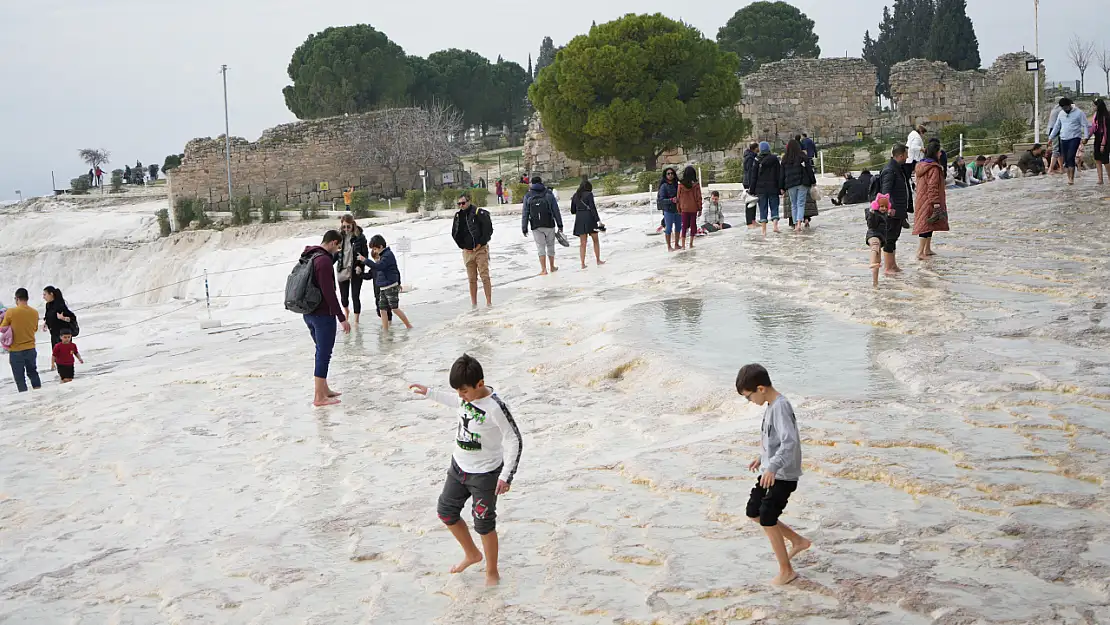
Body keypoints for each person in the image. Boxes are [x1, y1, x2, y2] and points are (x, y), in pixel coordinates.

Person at [409, 354, 522, 588]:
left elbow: (514, 439)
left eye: (464, 391)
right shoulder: (464, 397)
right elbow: (454, 401)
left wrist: (506, 476)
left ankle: (492, 572)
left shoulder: (495, 407)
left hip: (486, 475)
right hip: (458, 467)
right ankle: (472, 554)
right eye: (458, 391)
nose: (461, 396)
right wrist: (429, 392)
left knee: (483, 523)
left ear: (479, 384)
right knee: (446, 512)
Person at [737, 363, 809, 586]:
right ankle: (797, 541)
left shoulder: (781, 407)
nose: (750, 402)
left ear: (760, 388)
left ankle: (786, 571)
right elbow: (774, 440)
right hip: (771, 470)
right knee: (754, 512)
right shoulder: (771, 406)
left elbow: (789, 442)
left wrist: (773, 466)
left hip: (782, 474)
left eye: (748, 397)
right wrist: (762, 457)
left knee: (767, 517)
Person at [301, 230, 351, 407]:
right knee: (324, 354)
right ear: (332, 243)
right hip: (322, 315)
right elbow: (328, 292)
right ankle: (318, 397)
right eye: (337, 246)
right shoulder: (323, 261)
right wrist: (342, 318)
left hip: (309, 313)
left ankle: (324, 389)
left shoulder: (312, 255)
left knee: (320, 351)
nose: (337, 250)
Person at [362, 235, 412, 331]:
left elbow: (380, 267)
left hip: (391, 286)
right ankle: (385, 330)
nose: (375, 251)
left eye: (375, 249)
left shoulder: (388, 255)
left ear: (381, 246)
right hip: (383, 287)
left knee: (394, 308)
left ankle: (408, 326)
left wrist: (365, 260)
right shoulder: (383, 255)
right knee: (382, 309)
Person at [452, 194, 494, 308]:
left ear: (469, 202)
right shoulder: (458, 216)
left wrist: (481, 243)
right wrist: (462, 246)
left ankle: (489, 302)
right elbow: (454, 233)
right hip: (467, 252)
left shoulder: (478, 212)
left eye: (463, 203)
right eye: (459, 204)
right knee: (471, 279)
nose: (461, 205)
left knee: (484, 276)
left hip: (480, 249)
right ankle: (474, 304)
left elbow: (488, 229)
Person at [879, 144, 912, 276]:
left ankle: (893, 265)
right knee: (889, 239)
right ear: (900, 155)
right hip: (892, 212)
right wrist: (888, 209)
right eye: (906, 155)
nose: (907, 157)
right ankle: (888, 267)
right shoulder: (890, 170)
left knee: (894, 238)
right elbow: (885, 192)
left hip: (898, 210)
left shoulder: (898, 168)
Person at [913, 141, 949, 260]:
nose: (940, 154)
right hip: (929, 200)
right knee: (926, 225)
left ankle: (927, 249)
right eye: (939, 152)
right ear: (935, 153)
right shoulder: (934, 168)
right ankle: (920, 252)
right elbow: (932, 187)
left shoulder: (921, 165)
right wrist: (936, 203)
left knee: (930, 224)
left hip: (921, 199)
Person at [521, 176, 563, 275]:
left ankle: (544, 269)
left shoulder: (528, 195)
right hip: (549, 224)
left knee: (540, 247)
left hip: (536, 225)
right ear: (541, 182)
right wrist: (560, 224)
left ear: (532, 183)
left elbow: (525, 213)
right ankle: (552, 267)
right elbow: (556, 210)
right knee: (550, 246)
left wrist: (524, 227)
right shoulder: (548, 194)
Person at [2, 288, 41, 392]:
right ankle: (39, 394)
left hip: (16, 350)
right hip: (31, 348)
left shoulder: (11, 312)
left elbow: (2, 328)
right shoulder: (35, 312)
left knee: (20, 378)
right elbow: (35, 328)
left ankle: (25, 398)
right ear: (27, 298)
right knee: (33, 373)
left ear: (17, 298)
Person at [1048, 97, 1091, 186]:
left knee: (1071, 156)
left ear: (1069, 105)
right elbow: (1057, 126)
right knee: (1066, 159)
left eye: (1066, 108)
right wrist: (1050, 137)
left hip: (1075, 137)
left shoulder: (1079, 113)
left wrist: (1086, 137)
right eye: (1063, 108)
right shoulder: (1061, 113)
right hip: (1063, 138)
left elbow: (1085, 125)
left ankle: (1071, 178)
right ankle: (1069, 176)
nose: (1065, 110)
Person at [336, 215, 369, 325]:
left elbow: (365, 255)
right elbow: (334, 253)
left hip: (356, 269)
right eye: (344, 227)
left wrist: (360, 265)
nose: (346, 229)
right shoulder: (339, 237)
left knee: (355, 295)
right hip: (343, 268)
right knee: (344, 298)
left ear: (353, 224)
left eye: (348, 227)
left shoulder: (360, 237)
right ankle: (346, 311)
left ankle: (356, 321)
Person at [779, 139, 814, 233]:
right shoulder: (803, 156)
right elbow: (809, 170)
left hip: (790, 184)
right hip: (803, 182)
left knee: (793, 204)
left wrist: (781, 187)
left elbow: (782, 174)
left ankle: (795, 224)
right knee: (801, 203)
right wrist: (813, 181)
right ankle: (799, 223)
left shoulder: (785, 159)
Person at [571, 180, 605, 269]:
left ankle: (582, 263)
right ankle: (598, 260)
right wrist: (598, 220)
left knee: (583, 242)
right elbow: (593, 208)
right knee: (595, 240)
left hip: (579, 218)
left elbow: (572, 210)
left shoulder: (575, 195)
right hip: (590, 218)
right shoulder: (589, 194)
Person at [752, 142, 783, 236]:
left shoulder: (757, 160)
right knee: (774, 206)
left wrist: (752, 190)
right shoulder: (774, 159)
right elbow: (779, 174)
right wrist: (781, 187)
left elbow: (753, 177)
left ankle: (764, 231)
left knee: (763, 208)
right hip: (773, 187)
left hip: (760, 188)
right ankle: (775, 226)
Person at [866, 193, 896, 287]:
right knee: (875, 245)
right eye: (881, 206)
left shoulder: (885, 215)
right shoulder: (873, 213)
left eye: (885, 207)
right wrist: (871, 213)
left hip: (881, 239)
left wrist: (891, 214)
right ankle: (871, 262)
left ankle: (875, 283)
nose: (883, 208)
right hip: (872, 235)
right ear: (877, 205)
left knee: (878, 262)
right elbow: (871, 224)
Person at [676, 166, 702, 249]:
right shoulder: (696, 185)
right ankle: (691, 244)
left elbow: (678, 197)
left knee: (684, 226)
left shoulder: (680, 185)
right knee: (693, 226)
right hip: (693, 208)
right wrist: (700, 208)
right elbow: (699, 197)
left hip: (684, 208)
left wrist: (678, 208)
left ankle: (683, 245)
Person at [656, 167, 682, 251]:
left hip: (678, 209)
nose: (670, 175)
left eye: (672, 173)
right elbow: (661, 199)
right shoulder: (663, 186)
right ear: (665, 175)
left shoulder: (677, 185)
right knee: (668, 228)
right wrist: (671, 200)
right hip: (668, 210)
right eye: (668, 173)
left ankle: (677, 244)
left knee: (678, 227)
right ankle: (669, 246)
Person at [1090, 99, 1110, 185]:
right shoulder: (1095, 116)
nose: (1093, 107)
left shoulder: (1106, 116)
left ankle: (1109, 177)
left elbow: (1106, 131)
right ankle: (1100, 178)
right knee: (1097, 158)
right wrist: (1087, 137)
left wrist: (1103, 144)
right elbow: (1093, 128)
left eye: (1094, 106)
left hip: (1104, 138)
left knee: (1105, 160)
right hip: (1097, 138)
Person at [1047, 101, 1065, 174]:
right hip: (1056, 130)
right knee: (1056, 150)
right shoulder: (1060, 110)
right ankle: (1050, 169)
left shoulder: (1054, 109)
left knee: (1059, 152)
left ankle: (1061, 168)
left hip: (1053, 129)